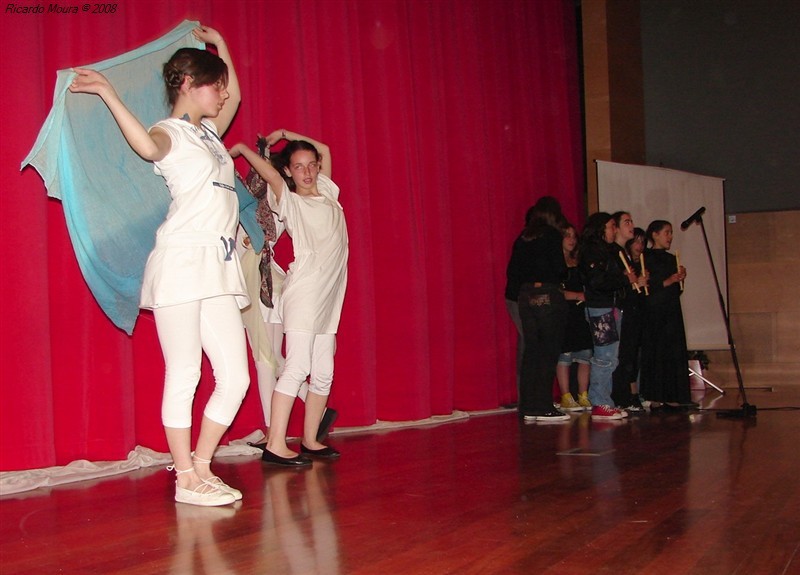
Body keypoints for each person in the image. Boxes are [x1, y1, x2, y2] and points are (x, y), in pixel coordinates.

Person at [69, 26, 247, 506]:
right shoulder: (168, 132)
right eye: (215, 82)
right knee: (186, 371)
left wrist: (219, 44)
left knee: (236, 376)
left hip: (217, 262)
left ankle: (202, 467)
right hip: (182, 260)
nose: (224, 93)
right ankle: (185, 476)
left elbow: (236, 96)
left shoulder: (208, 134)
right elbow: (146, 147)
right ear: (188, 82)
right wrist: (108, 93)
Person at [230, 129, 348, 466]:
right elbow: (269, 173)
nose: (308, 172)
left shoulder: (327, 191)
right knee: (296, 367)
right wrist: (244, 148)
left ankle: (310, 440)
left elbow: (324, 145)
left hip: (329, 299)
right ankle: (276, 445)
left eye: (312, 165)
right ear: (289, 172)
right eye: (299, 167)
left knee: (323, 371)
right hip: (305, 296)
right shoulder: (290, 202)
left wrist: (285, 133)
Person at [514, 196, 570, 423]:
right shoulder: (552, 235)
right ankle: (543, 405)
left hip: (525, 295)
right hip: (547, 293)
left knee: (532, 351)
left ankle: (528, 405)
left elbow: (515, 270)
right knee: (548, 352)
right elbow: (558, 269)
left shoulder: (523, 236)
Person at [579, 212, 637, 421]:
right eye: (612, 226)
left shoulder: (606, 251)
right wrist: (623, 279)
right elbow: (597, 281)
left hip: (609, 307)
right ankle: (600, 402)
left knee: (610, 357)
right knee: (605, 357)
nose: (614, 230)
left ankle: (605, 401)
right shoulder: (593, 251)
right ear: (601, 228)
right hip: (600, 308)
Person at [638, 220, 693, 409]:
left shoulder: (671, 259)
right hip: (655, 312)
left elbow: (677, 290)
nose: (670, 236)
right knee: (657, 351)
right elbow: (647, 289)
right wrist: (669, 281)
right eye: (666, 232)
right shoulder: (646, 257)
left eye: (670, 233)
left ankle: (675, 396)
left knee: (674, 351)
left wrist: (680, 279)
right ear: (654, 234)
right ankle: (655, 396)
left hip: (671, 311)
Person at [611, 213, 648, 412]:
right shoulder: (614, 253)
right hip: (619, 309)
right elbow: (616, 283)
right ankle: (620, 397)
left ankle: (626, 396)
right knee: (620, 354)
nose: (632, 225)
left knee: (628, 354)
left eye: (632, 221)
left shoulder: (622, 253)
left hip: (630, 309)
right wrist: (631, 281)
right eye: (627, 222)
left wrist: (636, 282)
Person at [556, 223, 593, 412]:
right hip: (564, 313)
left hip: (581, 314)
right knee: (565, 356)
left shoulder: (579, 261)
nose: (571, 240)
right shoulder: (555, 263)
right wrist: (577, 295)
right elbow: (556, 291)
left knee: (585, 356)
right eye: (567, 236)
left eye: (573, 236)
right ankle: (565, 396)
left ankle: (583, 395)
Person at [504, 205, 536, 402]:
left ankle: (528, 395)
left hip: (523, 296)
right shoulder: (527, 240)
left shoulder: (529, 240)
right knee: (529, 343)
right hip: (519, 297)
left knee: (529, 343)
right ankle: (526, 396)